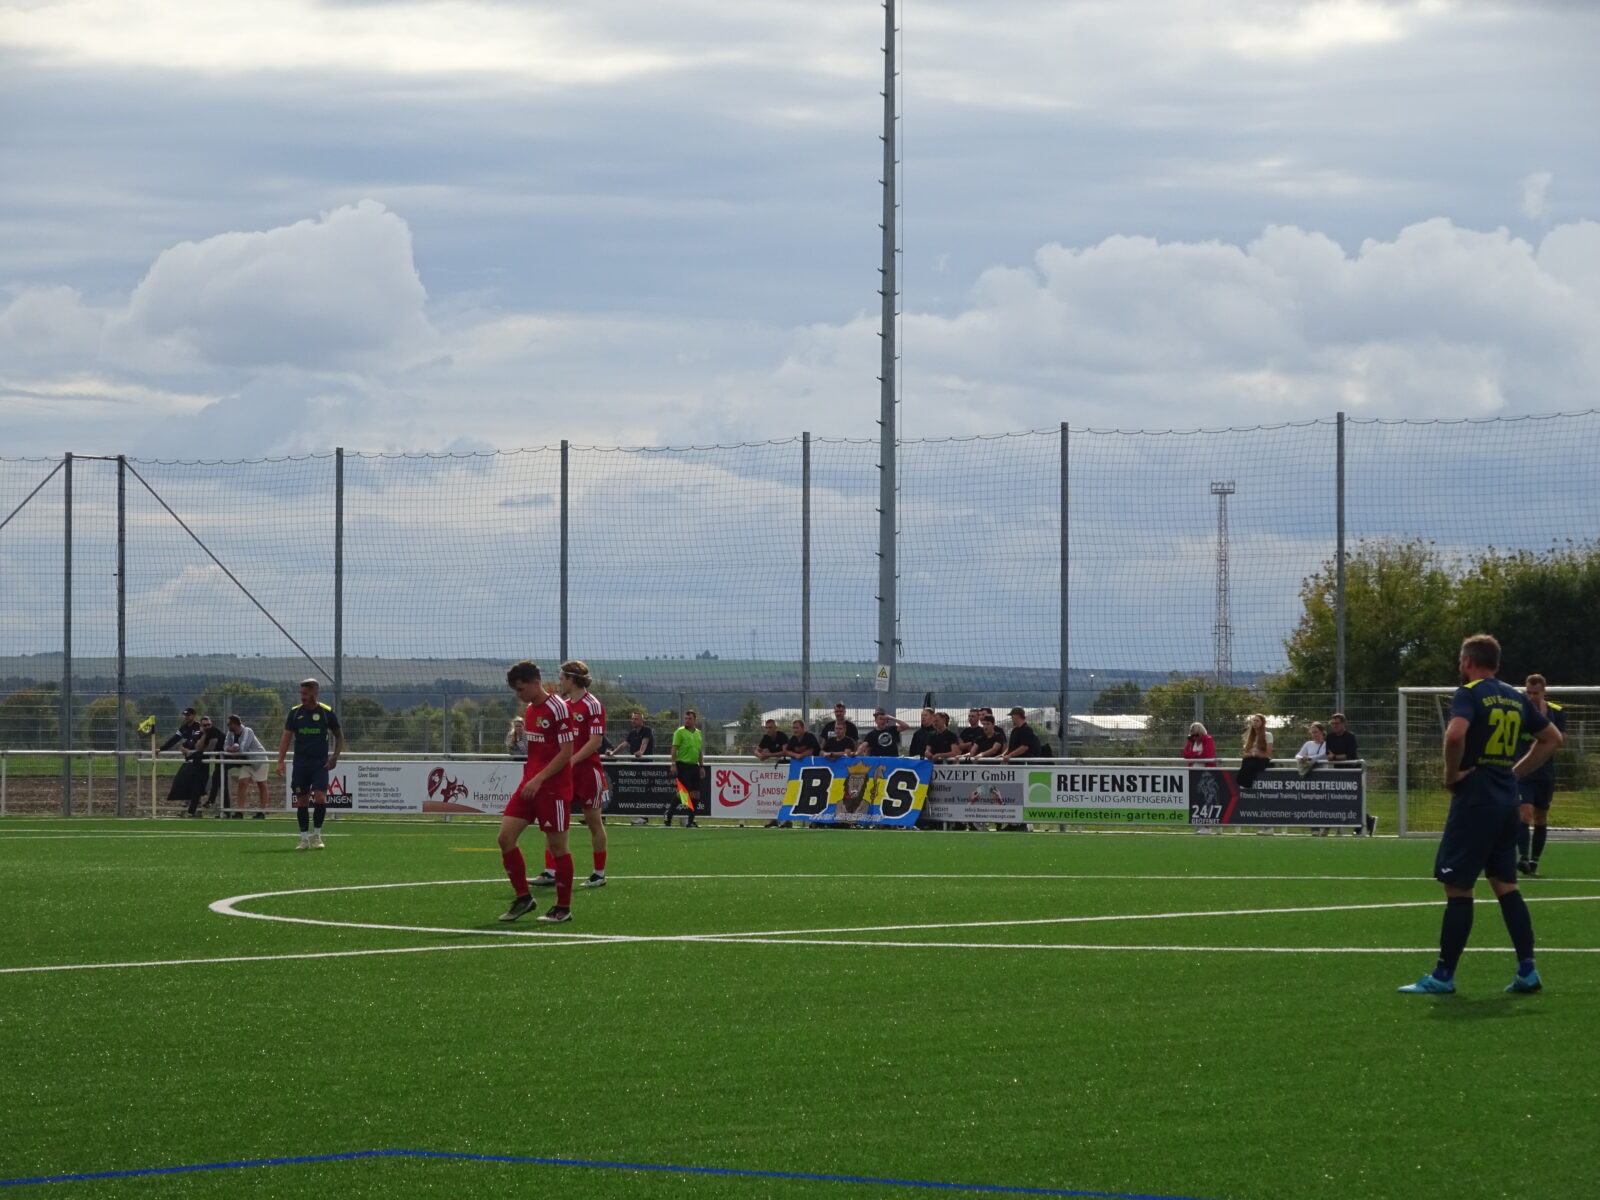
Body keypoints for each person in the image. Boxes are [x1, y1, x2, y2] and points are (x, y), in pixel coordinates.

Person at [1398, 634, 1561, 995]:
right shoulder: (1516, 697)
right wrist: (1514, 772)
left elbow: (1456, 735)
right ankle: (1527, 971)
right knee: (1506, 885)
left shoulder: (1469, 693)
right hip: (1506, 803)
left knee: (1458, 887)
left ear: (1468, 661)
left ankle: (1443, 977)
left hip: (1475, 802)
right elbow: (1551, 738)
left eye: (1461, 661)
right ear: (1497, 664)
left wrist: (1450, 776)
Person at [496, 661, 578, 923]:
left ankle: (562, 908)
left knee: (558, 848)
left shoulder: (558, 709)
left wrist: (540, 778)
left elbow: (566, 753)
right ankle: (523, 898)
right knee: (505, 838)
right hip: (530, 785)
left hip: (552, 787)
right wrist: (531, 779)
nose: (517, 695)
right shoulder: (530, 710)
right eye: (514, 690)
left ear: (535, 682)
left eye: (520, 689)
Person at [531, 660, 609, 891]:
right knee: (553, 821)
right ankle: (550, 871)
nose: (560, 681)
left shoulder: (592, 705)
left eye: (563, 677)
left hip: (587, 773)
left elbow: (595, 742)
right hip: (565, 774)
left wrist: (571, 760)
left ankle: (599, 873)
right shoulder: (563, 707)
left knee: (593, 822)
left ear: (573, 679)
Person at [275, 679, 345, 851]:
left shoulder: (326, 712)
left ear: (315, 693)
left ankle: (317, 836)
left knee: (320, 797)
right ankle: (304, 839)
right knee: (302, 800)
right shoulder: (295, 713)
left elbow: (339, 736)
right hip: (300, 765)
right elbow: (286, 738)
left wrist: (335, 756)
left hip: (320, 764)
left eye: (305, 694)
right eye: (301, 693)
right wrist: (280, 761)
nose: (302, 697)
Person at [1517, 674, 1567, 877]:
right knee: (1524, 813)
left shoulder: (1557, 712)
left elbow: (1559, 739)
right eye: (1528, 692)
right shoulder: (1519, 711)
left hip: (1545, 773)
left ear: (1543, 692)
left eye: (1535, 693)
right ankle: (1523, 858)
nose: (1531, 696)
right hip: (1524, 772)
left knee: (1540, 816)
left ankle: (1535, 860)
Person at [1323, 713, 1373, 836]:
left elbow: (1350, 756)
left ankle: (1365, 822)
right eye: (1332, 724)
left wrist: (1335, 757)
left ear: (1343, 724)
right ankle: (1364, 821)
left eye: (1337, 723)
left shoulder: (1350, 737)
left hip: (1352, 771)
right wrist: (1331, 757)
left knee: (1352, 799)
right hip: (1338, 772)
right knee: (1340, 800)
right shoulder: (1329, 737)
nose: (1334, 726)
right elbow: (1327, 753)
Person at [157, 707, 206, 815]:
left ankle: (195, 808)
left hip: (198, 759)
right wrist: (161, 749)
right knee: (188, 782)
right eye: (185, 715)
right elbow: (174, 739)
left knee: (195, 784)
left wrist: (185, 746)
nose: (186, 717)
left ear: (194, 715)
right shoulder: (184, 727)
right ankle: (190, 807)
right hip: (189, 760)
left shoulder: (198, 726)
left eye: (188, 715)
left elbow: (195, 739)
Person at [224, 715, 271, 819]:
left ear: (235, 724)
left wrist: (232, 750)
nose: (228, 726)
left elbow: (243, 748)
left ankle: (262, 812)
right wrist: (230, 749)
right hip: (246, 762)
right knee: (242, 783)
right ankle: (240, 811)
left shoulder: (247, 731)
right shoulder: (230, 733)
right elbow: (225, 746)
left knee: (262, 784)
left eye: (229, 724)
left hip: (259, 761)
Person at [1238, 713, 1275, 833]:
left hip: (1261, 762)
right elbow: (1245, 753)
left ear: (1262, 722)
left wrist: (1255, 754)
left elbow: (1267, 754)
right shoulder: (1250, 736)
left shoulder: (1268, 735)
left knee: (1251, 762)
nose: (1255, 723)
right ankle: (1244, 782)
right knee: (1247, 761)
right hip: (1251, 761)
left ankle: (1245, 782)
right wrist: (1253, 754)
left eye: (1257, 721)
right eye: (1253, 720)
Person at [667, 709, 702, 827]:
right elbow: (674, 748)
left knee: (696, 794)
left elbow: (699, 751)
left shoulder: (698, 733)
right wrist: (673, 764)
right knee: (684, 793)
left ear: (694, 720)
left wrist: (701, 766)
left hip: (694, 766)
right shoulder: (679, 732)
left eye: (690, 718)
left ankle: (691, 821)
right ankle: (669, 816)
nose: (687, 721)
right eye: (686, 718)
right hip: (682, 765)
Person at [1297, 722, 1331, 835]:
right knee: (1312, 801)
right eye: (1312, 732)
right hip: (1311, 776)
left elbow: (1322, 755)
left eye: (1316, 732)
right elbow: (1298, 755)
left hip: (1323, 776)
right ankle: (1315, 828)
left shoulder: (1327, 744)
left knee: (1323, 802)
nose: (1314, 734)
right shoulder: (1308, 744)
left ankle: (1326, 826)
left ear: (1322, 732)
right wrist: (1302, 758)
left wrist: (1309, 758)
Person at [191, 715, 227, 816]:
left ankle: (214, 803)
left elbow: (210, 748)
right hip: (219, 759)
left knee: (218, 780)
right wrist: (203, 735)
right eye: (205, 725)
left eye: (209, 724)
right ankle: (212, 803)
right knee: (216, 779)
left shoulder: (213, 731)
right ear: (201, 726)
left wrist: (202, 751)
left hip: (225, 758)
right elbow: (198, 747)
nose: (207, 727)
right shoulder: (205, 734)